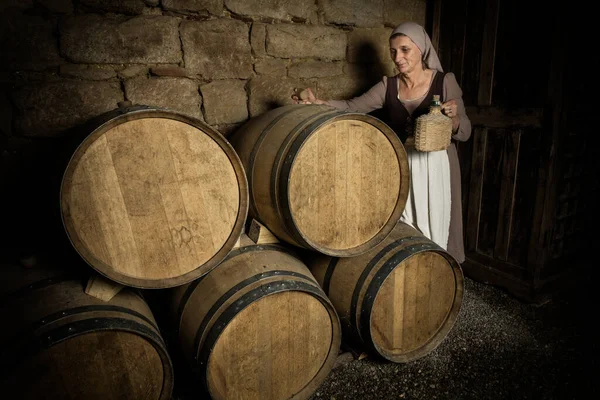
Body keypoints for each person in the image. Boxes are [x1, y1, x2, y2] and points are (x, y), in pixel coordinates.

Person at [292, 21, 471, 264]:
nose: (398, 57)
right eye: (393, 51)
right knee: (407, 224)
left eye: (405, 50)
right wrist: (317, 103)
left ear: (421, 49)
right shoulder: (389, 86)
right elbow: (351, 107)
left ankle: (440, 270)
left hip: (437, 168)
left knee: (438, 221)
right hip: (403, 165)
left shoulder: (444, 82)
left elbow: (466, 131)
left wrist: (455, 120)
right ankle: (412, 269)